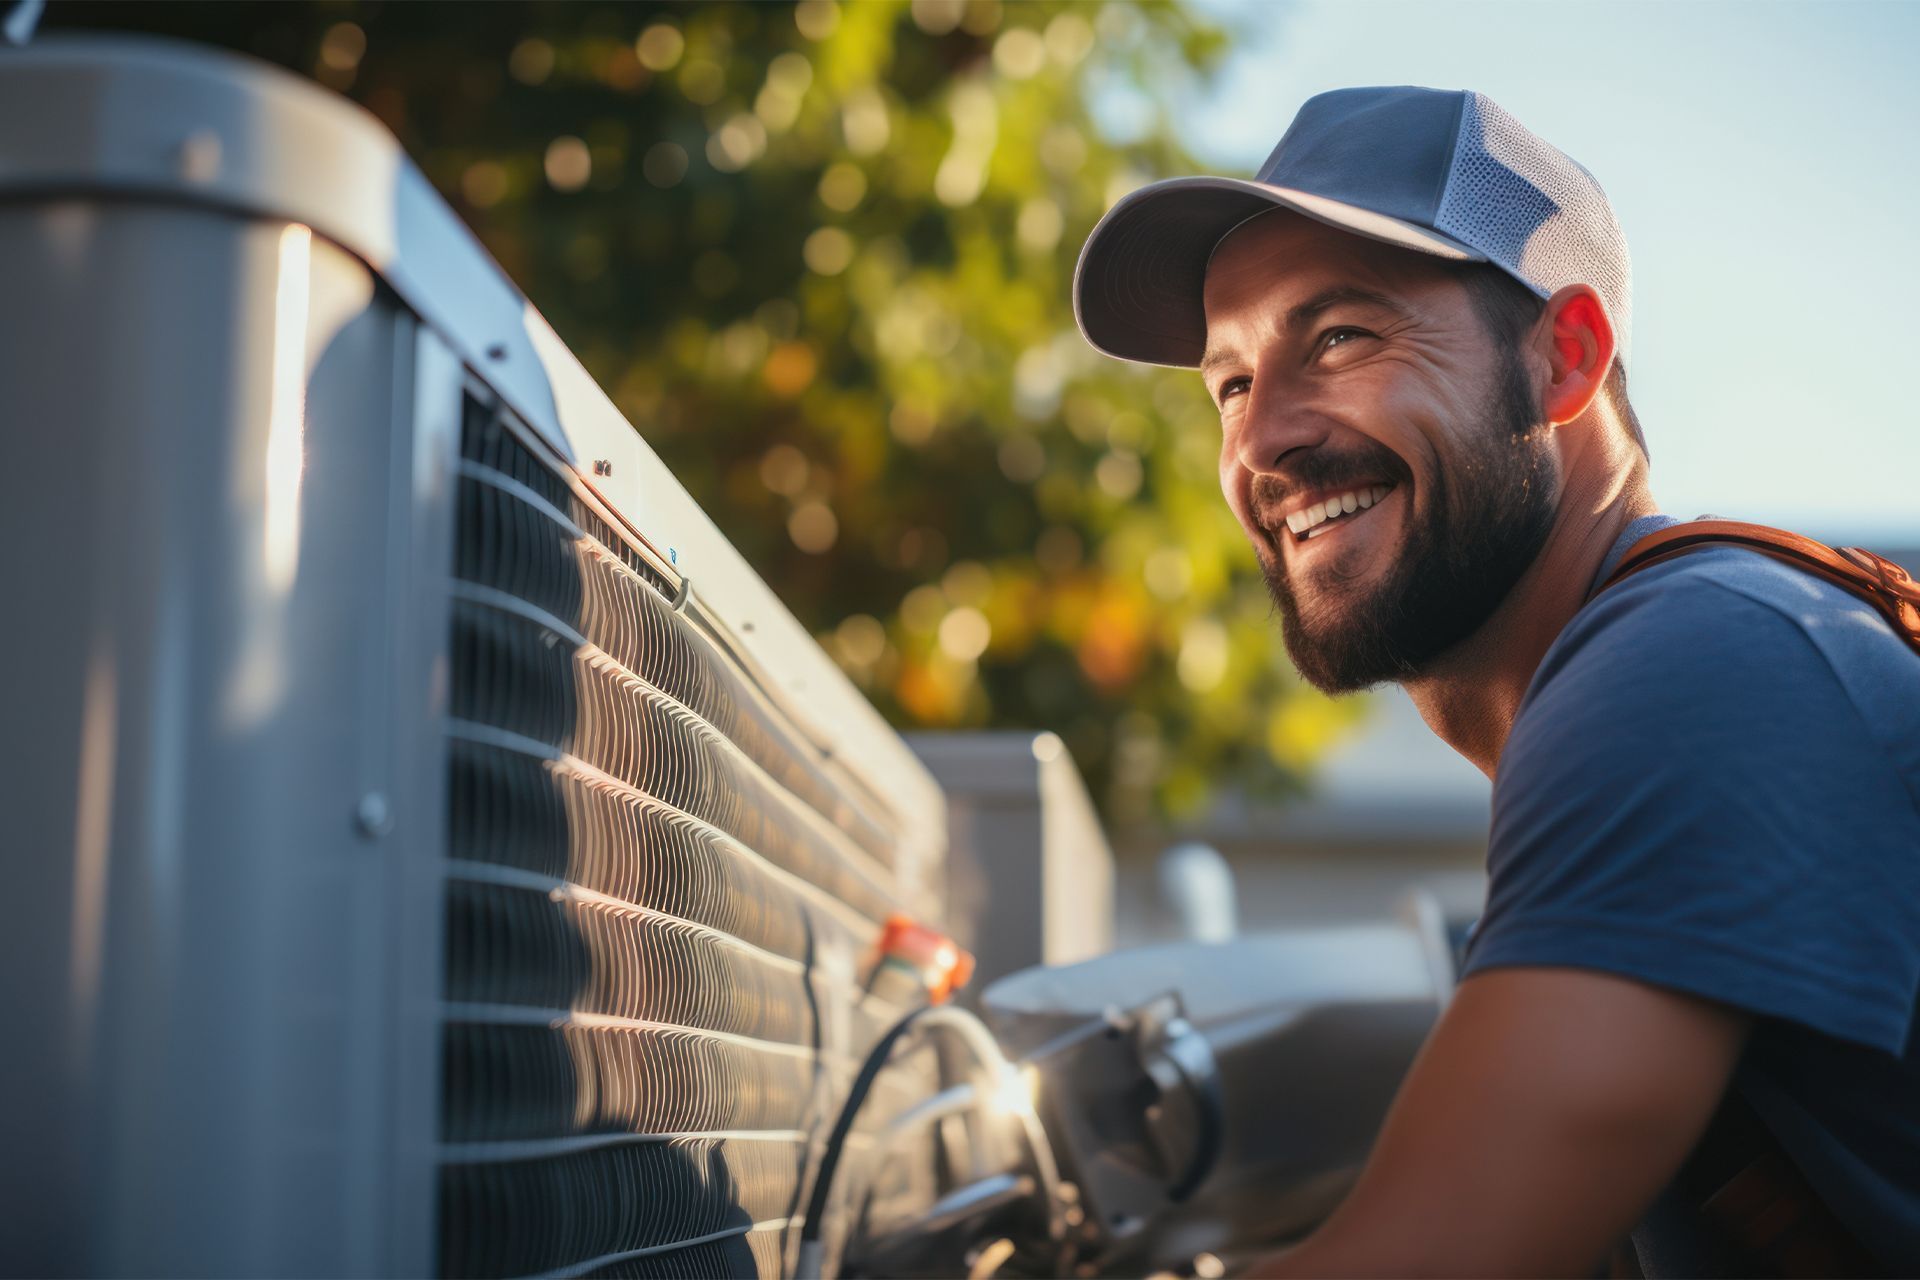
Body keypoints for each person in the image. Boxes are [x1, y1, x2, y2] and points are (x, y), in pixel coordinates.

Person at [1073, 86, 1920, 1277]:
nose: (1262, 440)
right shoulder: (1662, 664)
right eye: (1228, 382)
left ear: (1564, 358)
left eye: (1341, 338)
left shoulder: (1695, 666)